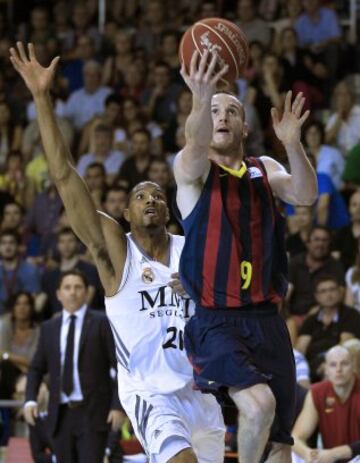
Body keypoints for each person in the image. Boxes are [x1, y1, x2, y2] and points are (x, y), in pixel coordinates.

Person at [10, 42, 225, 463]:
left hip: (201, 392)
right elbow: (64, 176)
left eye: (158, 196)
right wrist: (41, 96)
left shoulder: (192, 249)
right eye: (140, 196)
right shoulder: (116, 254)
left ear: (169, 209)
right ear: (124, 213)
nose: (150, 200)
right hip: (150, 393)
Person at [174, 49, 317, 463]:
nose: (221, 116)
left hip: (268, 322)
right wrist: (201, 98)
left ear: (245, 126)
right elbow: (194, 143)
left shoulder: (264, 168)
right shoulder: (193, 173)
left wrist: (293, 143)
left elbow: (306, 195)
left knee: (278, 446)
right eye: (214, 111)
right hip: (217, 319)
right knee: (258, 406)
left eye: (230, 110)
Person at [23, 270, 124, 463]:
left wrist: (118, 406)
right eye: (67, 288)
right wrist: (30, 400)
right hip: (60, 414)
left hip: (93, 413)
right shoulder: (49, 327)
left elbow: (120, 366)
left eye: (78, 287)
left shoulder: (102, 322)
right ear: (59, 294)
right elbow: (36, 368)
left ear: (86, 292)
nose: (73, 292)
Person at [292, 345, 360, 462]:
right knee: (293, 454)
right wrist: (308, 454)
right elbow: (296, 437)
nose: (338, 369)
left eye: (344, 363)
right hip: (328, 457)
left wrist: (336, 453)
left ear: (353, 366)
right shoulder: (317, 392)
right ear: (326, 369)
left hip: (356, 455)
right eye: (333, 365)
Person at [295, 275, 360, 381]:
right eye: (323, 291)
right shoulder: (311, 319)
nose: (328, 294)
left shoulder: (351, 314)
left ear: (340, 292)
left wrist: (328, 363)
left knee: (336, 366)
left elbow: (346, 343)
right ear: (316, 296)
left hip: (338, 360)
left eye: (332, 289)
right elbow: (301, 348)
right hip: (313, 363)